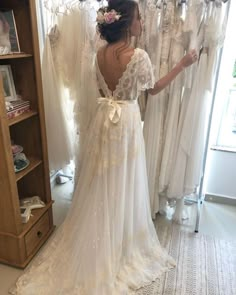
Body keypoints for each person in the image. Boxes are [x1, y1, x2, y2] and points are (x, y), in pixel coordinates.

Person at [10, 1, 197, 294]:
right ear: (126, 22)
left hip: (103, 122)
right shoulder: (139, 56)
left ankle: (101, 235)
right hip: (126, 123)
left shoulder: (98, 54)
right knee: (122, 181)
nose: (143, 23)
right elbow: (154, 89)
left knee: (101, 181)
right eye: (139, 18)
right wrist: (182, 65)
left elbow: (101, 89)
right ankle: (117, 243)